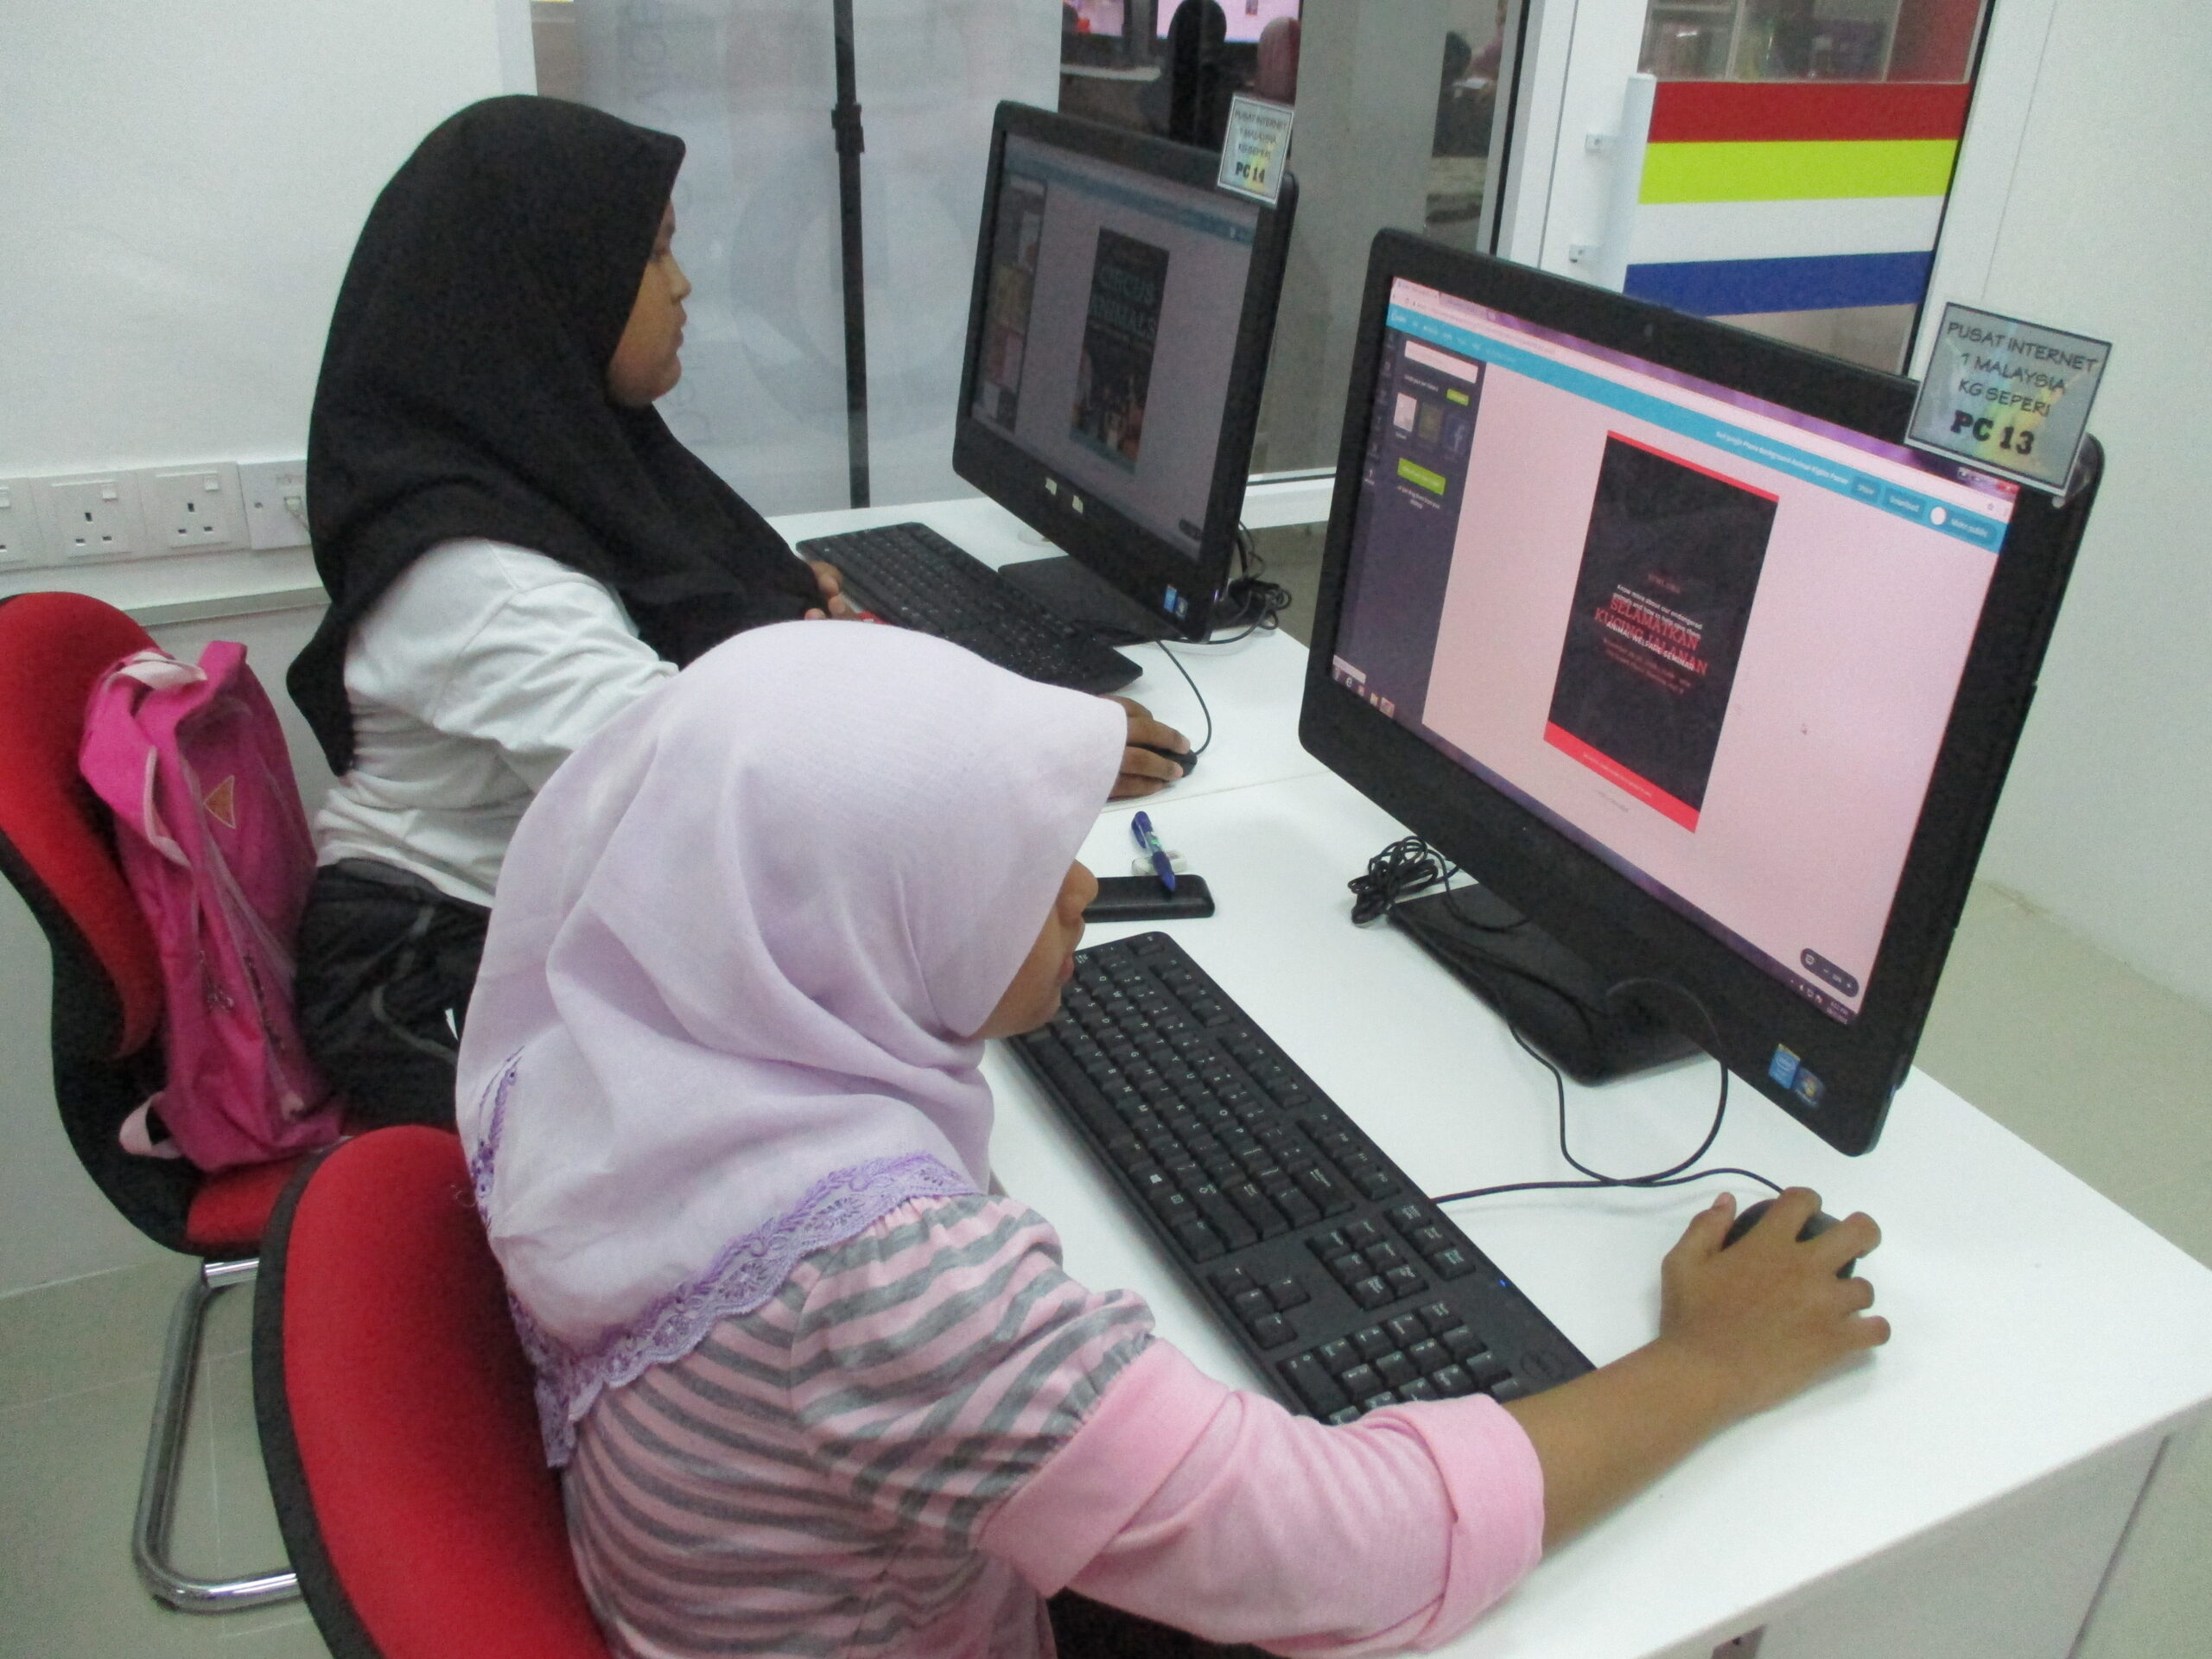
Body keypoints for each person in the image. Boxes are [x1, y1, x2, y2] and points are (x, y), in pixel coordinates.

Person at [455, 620, 1889, 1659]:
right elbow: (1355, 1551)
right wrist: (1710, 1364)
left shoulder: (616, 1060)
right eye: (1005, 870)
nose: (1082, 889)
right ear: (841, 923)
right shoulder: (882, 1283)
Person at [286, 97, 1188, 1131]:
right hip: (436, 965)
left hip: (562, 912)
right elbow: (714, 810)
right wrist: (1019, 754)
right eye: (652, 255)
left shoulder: (557, 456)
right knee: (806, 1139)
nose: (681, 286)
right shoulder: (477, 577)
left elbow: (701, 645)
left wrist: (811, 652)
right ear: (551, 283)